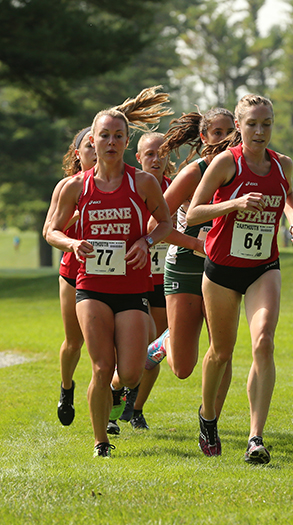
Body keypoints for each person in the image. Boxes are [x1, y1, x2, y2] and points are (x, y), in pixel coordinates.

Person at [47, 86, 173, 458]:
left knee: (131, 372)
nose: (111, 142)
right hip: (91, 287)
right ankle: (101, 441)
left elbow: (165, 222)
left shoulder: (143, 183)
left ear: (127, 141)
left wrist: (146, 243)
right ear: (92, 140)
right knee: (101, 366)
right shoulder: (75, 186)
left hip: (133, 288)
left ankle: (118, 402)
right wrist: (71, 245)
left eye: (119, 136)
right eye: (104, 135)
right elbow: (50, 230)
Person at [187, 94, 293, 462]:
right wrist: (233, 204)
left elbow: (287, 196)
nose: (260, 131)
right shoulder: (226, 163)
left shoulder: (282, 164)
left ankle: (256, 438)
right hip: (222, 271)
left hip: (262, 267)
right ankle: (208, 418)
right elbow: (193, 214)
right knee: (221, 353)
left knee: (264, 343)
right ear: (239, 127)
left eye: (266, 124)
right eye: (252, 124)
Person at [144, 108, 235, 420]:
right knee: (182, 368)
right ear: (204, 136)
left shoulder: (241, 170)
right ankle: (165, 341)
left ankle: (209, 423)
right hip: (185, 265)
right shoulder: (193, 173)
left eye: (230, 131)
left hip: (223, 269)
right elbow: (156, 227)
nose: (225, 139)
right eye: (217, 132)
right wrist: (198, 243)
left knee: (222, 351)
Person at [108, 132, 176, 433]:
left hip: (163, 280)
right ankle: (115, 398)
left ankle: (136, 408)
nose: (156, 158)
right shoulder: (129, 187)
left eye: (162, 153)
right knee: (132, 349)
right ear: (139, 157)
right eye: (150, 153)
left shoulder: (175, 189)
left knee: (155, 350)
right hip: (134, 280)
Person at [43, 127, 96, 426]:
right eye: (87, 146)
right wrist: (73, 222)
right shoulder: (67, 186)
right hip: (73, 272)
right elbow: (48, 230)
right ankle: (66, 387)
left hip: (109, 273)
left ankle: (110, 400)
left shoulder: (119, 184)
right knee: (74, 342)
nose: (94, 150)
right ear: (77, 154)